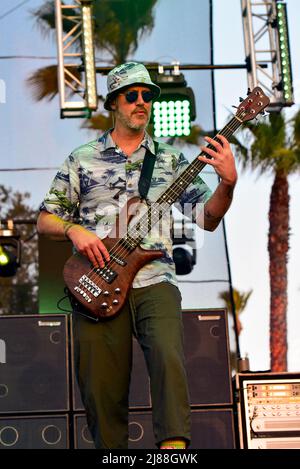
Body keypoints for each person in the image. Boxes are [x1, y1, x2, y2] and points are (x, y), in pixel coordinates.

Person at [37, 61, 237, 449]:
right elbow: (45, 219)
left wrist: (227, 183)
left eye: (148, 96)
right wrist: (74, 230)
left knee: (168, 357)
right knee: (99, 386)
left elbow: (207, 218)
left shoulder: (170, 160)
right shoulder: (82, 158)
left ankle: (174, 450)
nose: (142, 102)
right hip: (95, 280)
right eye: (132, 95)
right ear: (114, 103)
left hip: (154, 278)